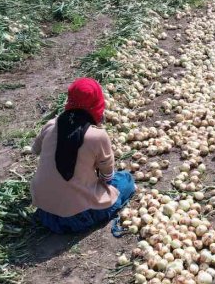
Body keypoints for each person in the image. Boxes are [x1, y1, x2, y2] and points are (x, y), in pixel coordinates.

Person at [31, 78, 136, 235]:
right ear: (98, 105)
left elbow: (35, 150)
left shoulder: (52, 124)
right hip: (78, 218)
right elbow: (107, 176)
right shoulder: (97, 136)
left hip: (44, 212)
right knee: (125, 180)